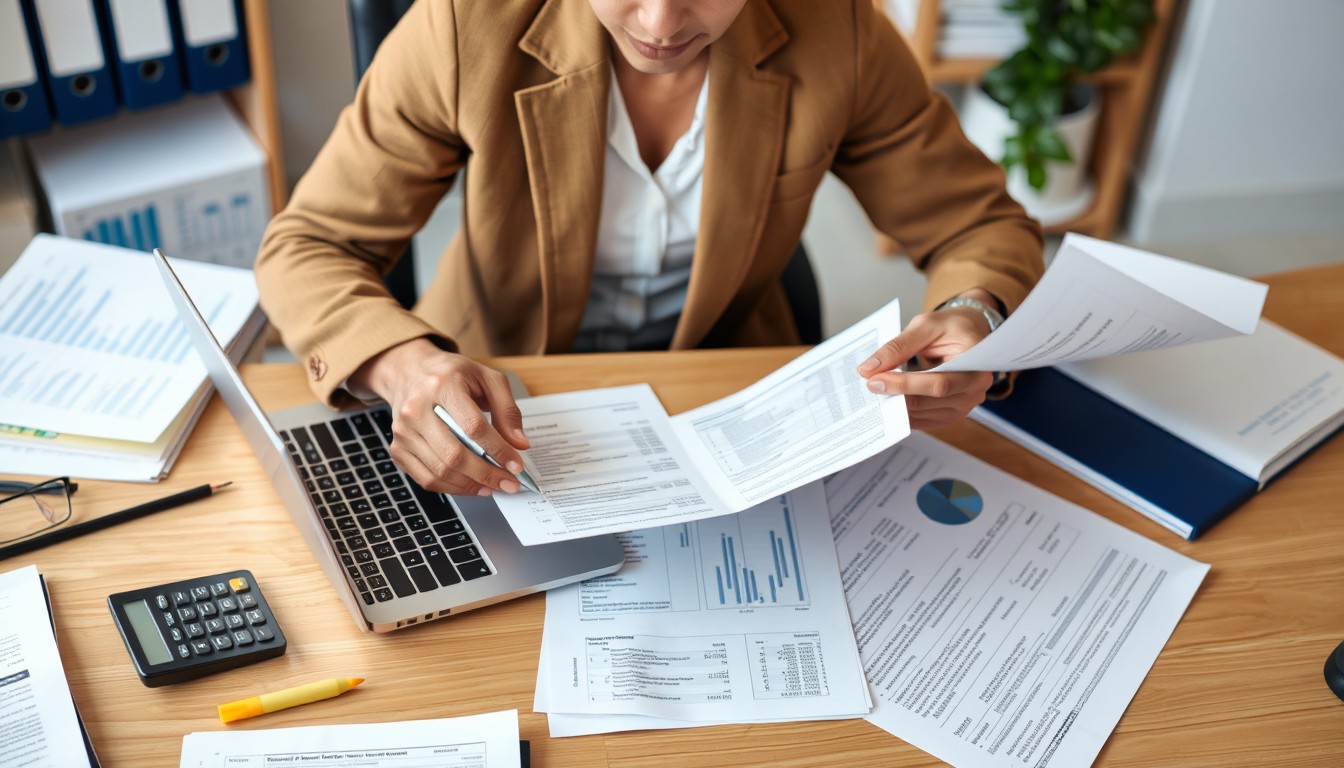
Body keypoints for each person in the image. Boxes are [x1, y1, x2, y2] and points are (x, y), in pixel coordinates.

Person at [255, 0, 1044, 498]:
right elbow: (309, 244)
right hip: (501, 400)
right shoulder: (465, 23)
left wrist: (974, 313)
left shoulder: (841, 30)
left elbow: (980, 225)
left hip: (731, 393)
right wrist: (401, 368)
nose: (660, 24)